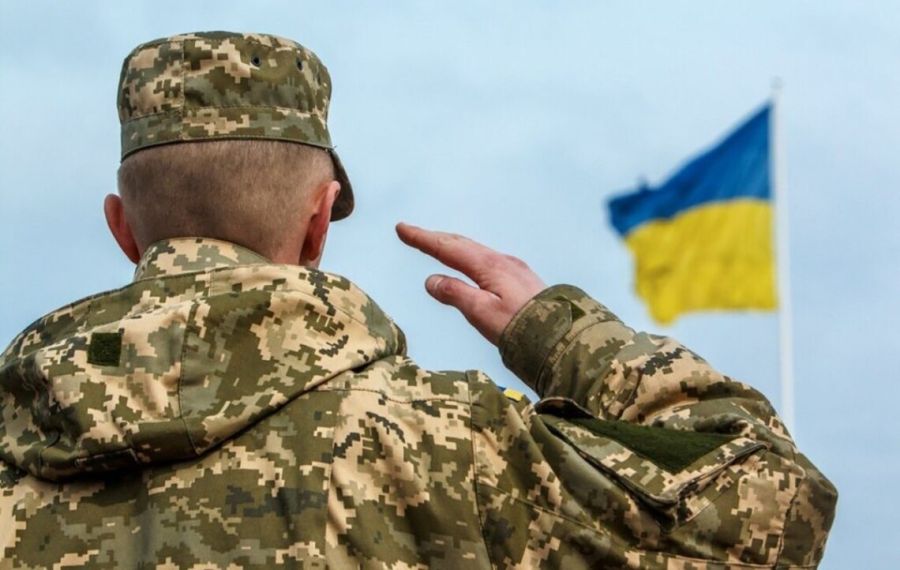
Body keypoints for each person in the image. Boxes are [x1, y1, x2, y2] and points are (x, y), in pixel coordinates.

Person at [0, 31, 835, 569]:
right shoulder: (446, 445)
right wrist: (560, 333)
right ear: (319, 221)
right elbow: (776, 506)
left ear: (123, 228)